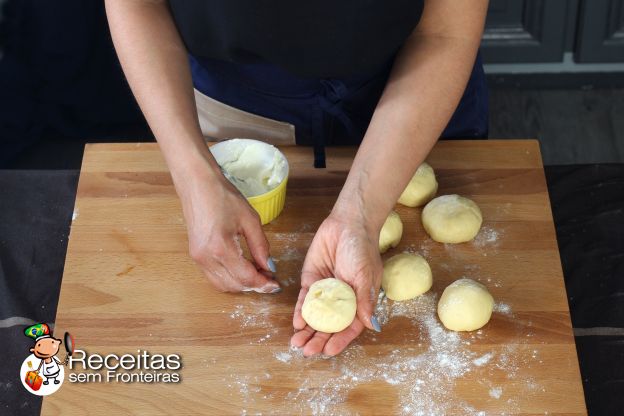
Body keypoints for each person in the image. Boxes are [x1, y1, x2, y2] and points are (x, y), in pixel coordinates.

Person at [105, 0, 489, 357]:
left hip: (419, 88)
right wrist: (193, 175)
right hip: (233, 102)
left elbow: (444, 32)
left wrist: (361, 213)